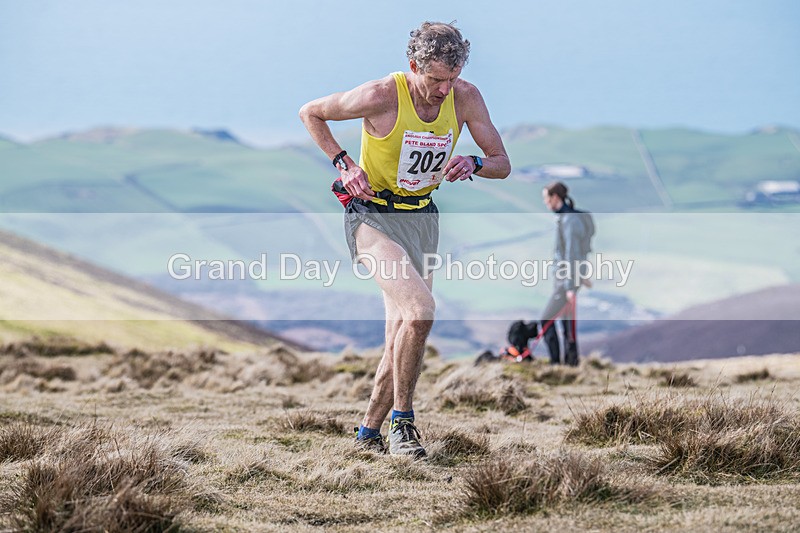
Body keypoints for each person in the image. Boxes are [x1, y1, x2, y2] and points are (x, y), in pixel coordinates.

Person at [299, 21, 510, 457]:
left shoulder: (465, 97)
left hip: (422, 220)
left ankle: (367, 435)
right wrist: (343, 163)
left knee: (401, 331)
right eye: (435, 79)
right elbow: (311, 112)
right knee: (420, 312)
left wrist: (472, 162)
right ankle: (404, 423)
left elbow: (501, 163)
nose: (442, 89)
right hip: (372, 216)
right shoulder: (380, 95)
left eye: (451, 79)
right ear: (413, 66)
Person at [540, 181, 594, 366]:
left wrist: (571, 286)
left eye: (546, 199)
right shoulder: (566, 218)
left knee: (546, 320)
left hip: (566, 281)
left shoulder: (569, 220)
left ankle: (556, 363)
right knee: (566, 321)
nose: (546, 203)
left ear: (556, 198)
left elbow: (572, 253)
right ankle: (571, 363)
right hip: (567, 279)